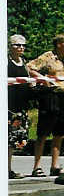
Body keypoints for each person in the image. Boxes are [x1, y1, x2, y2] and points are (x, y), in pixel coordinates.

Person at [27, 34, 64, 177]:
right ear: (59, 44)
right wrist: (42, 79)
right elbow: (30, 67)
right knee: (43, 133)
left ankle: (55, 166)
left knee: (60, 132)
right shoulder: (48, 57)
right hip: (49, 96)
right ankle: (37, 167)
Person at [8, 34, 35, 179]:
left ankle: (8, 168)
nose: (21, 48)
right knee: (6, 138)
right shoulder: (6, 61)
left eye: (23, 45)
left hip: (21, 107)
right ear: (10, 46)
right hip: (8, 107)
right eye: (17, 45)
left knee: (14, 140)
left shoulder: (24, 63)